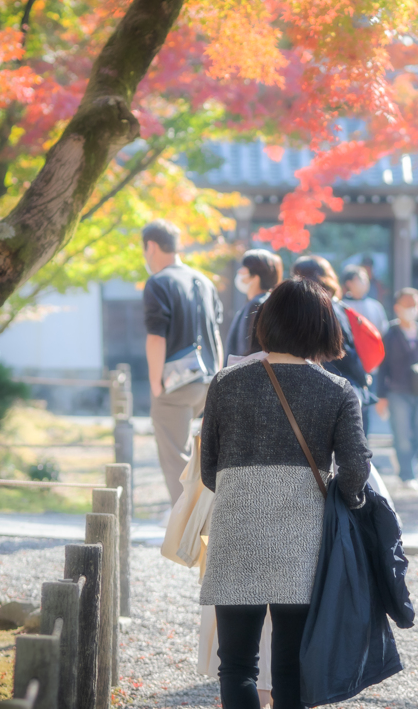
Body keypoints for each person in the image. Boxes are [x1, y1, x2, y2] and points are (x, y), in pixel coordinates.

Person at [199, 277, 373, 709]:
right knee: (292, 663)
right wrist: (345, 503)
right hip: (303, 538)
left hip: (237, 530)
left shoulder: (225, 382)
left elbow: (209, 470)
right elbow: (355, 470)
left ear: (268, 322)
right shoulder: (336, 391)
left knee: (236, 664)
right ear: (322, 328)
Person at [142, 219, 223, 508]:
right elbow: (215, 333)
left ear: (151, 246)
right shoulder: (204, 281)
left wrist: (155, 383)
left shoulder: (158, 282)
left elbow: (155, 337)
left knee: (176, 458)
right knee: (201, 459)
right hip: (208, 382)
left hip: (175, 384)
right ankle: (202, 521)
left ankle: (186, 530)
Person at [375, 289, 418, 488]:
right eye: (408, 305)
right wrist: (381, 396)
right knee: (402, 435)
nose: (412, 309)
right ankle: (407, 475)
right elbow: (383, 366)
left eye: (415, 305)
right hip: (397, 391)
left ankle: (402, 457)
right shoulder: (390, 333)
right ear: (397, 308)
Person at [291, 255, 371, 406]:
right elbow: (345, 350)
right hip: (336, 383)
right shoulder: (332, 307)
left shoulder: (292, 307)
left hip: (300, 385)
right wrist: (362, 377)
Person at [225, 249, 284, 360]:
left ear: (256, 276)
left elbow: (247, 347)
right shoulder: (265, 302)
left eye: (244, 268)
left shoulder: (257, 305)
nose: (239, 272)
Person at [342, 264, 389, 335]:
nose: (365, 282)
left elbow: (383, 330)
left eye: (366, 279)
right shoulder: (341, 306)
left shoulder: (375, 306)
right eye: (361, 279)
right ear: (349, 283)